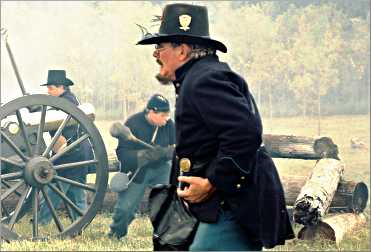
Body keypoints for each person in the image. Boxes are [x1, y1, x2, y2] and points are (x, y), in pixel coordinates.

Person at [137, 3, 295, 251]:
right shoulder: (200, 76)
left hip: (232, 201)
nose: (156, 54)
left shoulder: (204, 80)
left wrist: (212, 182)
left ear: (182, 51)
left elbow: (245, 134)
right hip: (224, 201)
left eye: (161, 47)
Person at [108, 94, 175, 239]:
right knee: (125, 210)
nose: (166, 119)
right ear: (151, 112)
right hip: (138, 170)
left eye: (167, 115)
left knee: (167, 202)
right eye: (163, 115)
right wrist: (143, 155)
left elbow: (177, 148)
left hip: (161, 169)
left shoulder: (169, 125)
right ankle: (116, 234)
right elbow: (122, 154)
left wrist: (164, 152)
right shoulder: (133, 123)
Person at [38, 70, 93, 225]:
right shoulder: (65, 101)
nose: (48, 91)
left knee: (56, 189)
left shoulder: (66, 102)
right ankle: (80, 221)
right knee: (76, 190)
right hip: (76, 152)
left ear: (61, 87)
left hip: (72, 153)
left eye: (50, 88)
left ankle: (42, 222)